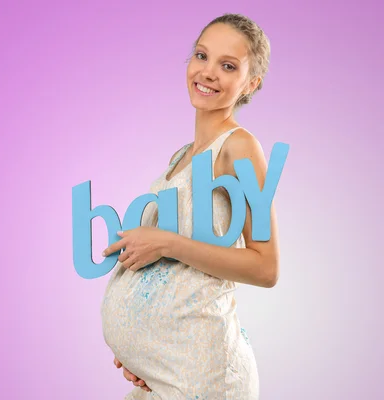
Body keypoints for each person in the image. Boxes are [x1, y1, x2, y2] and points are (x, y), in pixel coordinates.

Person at [100, 13, 277, 400]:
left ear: (251, 84)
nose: (209, 72)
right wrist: (142, 351)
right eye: (202, 56)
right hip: (166, 373)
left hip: (207, 379)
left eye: (228, 66)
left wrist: (165, 243)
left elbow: (266, 267)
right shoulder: (180, 157)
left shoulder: (240, 149)